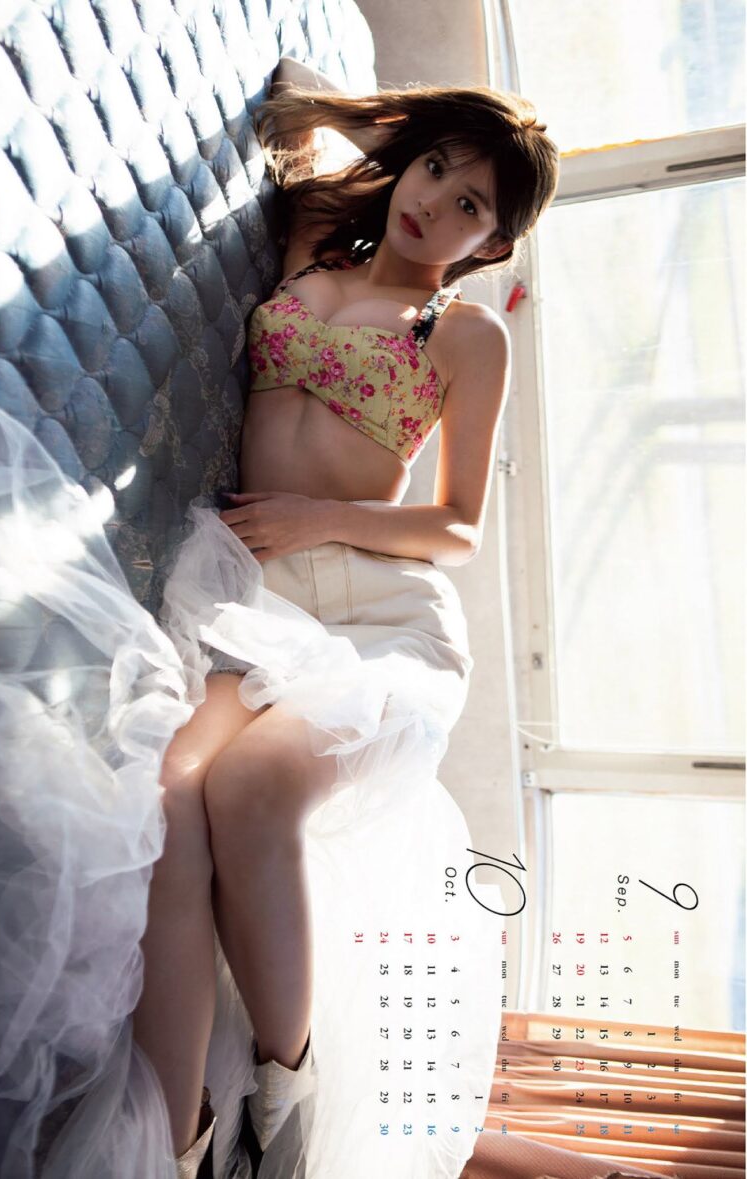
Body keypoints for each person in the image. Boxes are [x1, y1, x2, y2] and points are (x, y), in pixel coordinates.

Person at [133, 57, 560, 1179]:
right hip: (262, 604)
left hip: (382, 618)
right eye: (433, 170)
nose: (435, 203)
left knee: (250, 789)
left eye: (471, 205)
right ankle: (179, 1140)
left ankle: (286, 1088)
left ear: (493, 244)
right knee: (170, 797)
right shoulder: (321, 236)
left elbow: (458, 526)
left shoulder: (462, 334)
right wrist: (387, 123)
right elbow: (294, 95)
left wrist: (318, 514)